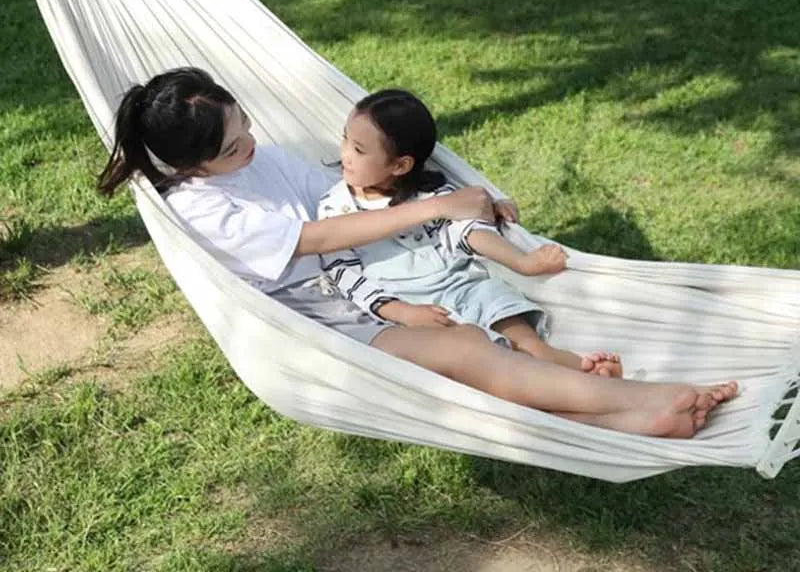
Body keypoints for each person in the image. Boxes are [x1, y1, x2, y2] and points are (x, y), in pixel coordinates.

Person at [97, 67, 738, 438]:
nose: (253, 145)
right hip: (311, 321)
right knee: (465, 352)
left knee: (473, 348)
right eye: (235, 147)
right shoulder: (196, 207)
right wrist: (434, 211)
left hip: (367, 282)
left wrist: (463, 196)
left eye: (246, 126)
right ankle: (650, 400)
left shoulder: (255, 160)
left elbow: (345, 197)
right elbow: (315, 238)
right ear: (193, 163)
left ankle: (630, 423)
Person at [319, 88, 621, 376]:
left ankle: (588, 370)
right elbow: (344, 274)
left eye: (358, 150)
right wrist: (401, 312)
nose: (345, 153)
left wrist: (513, 250)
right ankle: (588, 381)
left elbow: (467, 232)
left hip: (468, 287)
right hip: (412, 306)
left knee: (530, 348)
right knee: (500, 363)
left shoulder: (432, 196)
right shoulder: (336, 208)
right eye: (346, 139)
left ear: (400, 165)